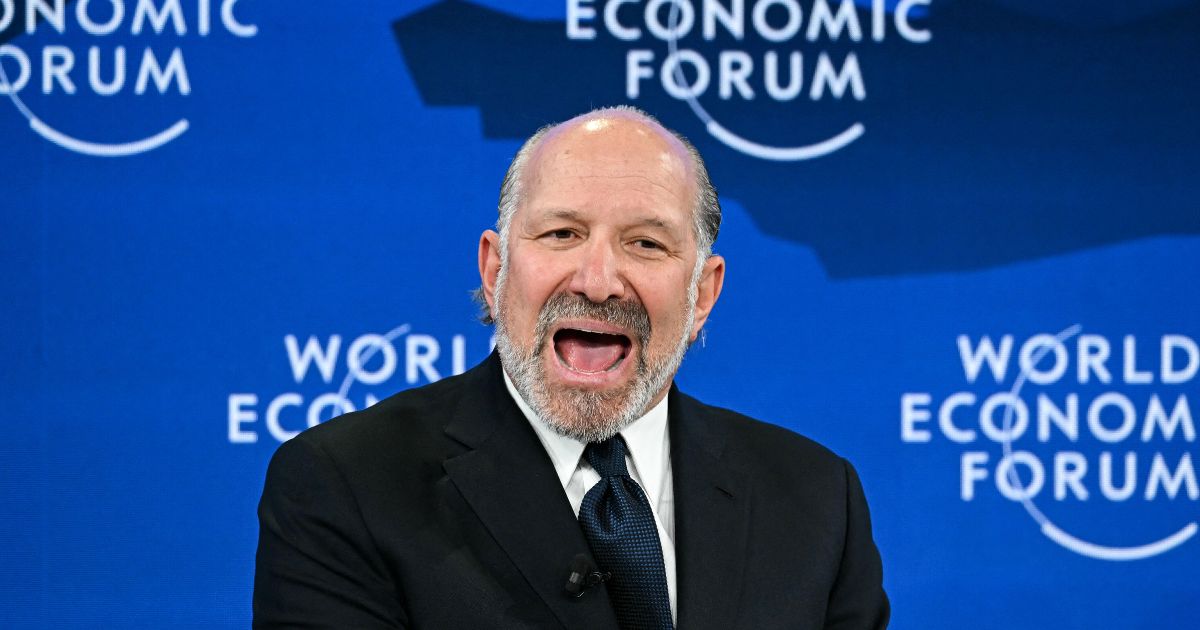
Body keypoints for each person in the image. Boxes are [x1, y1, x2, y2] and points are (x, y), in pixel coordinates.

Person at [253, 106, 889, 629]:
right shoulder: (348, 484)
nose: (598, 281)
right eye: (561, 233)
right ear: (495, 271)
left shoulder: (815, 499)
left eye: (646, 243)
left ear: (702, 294)